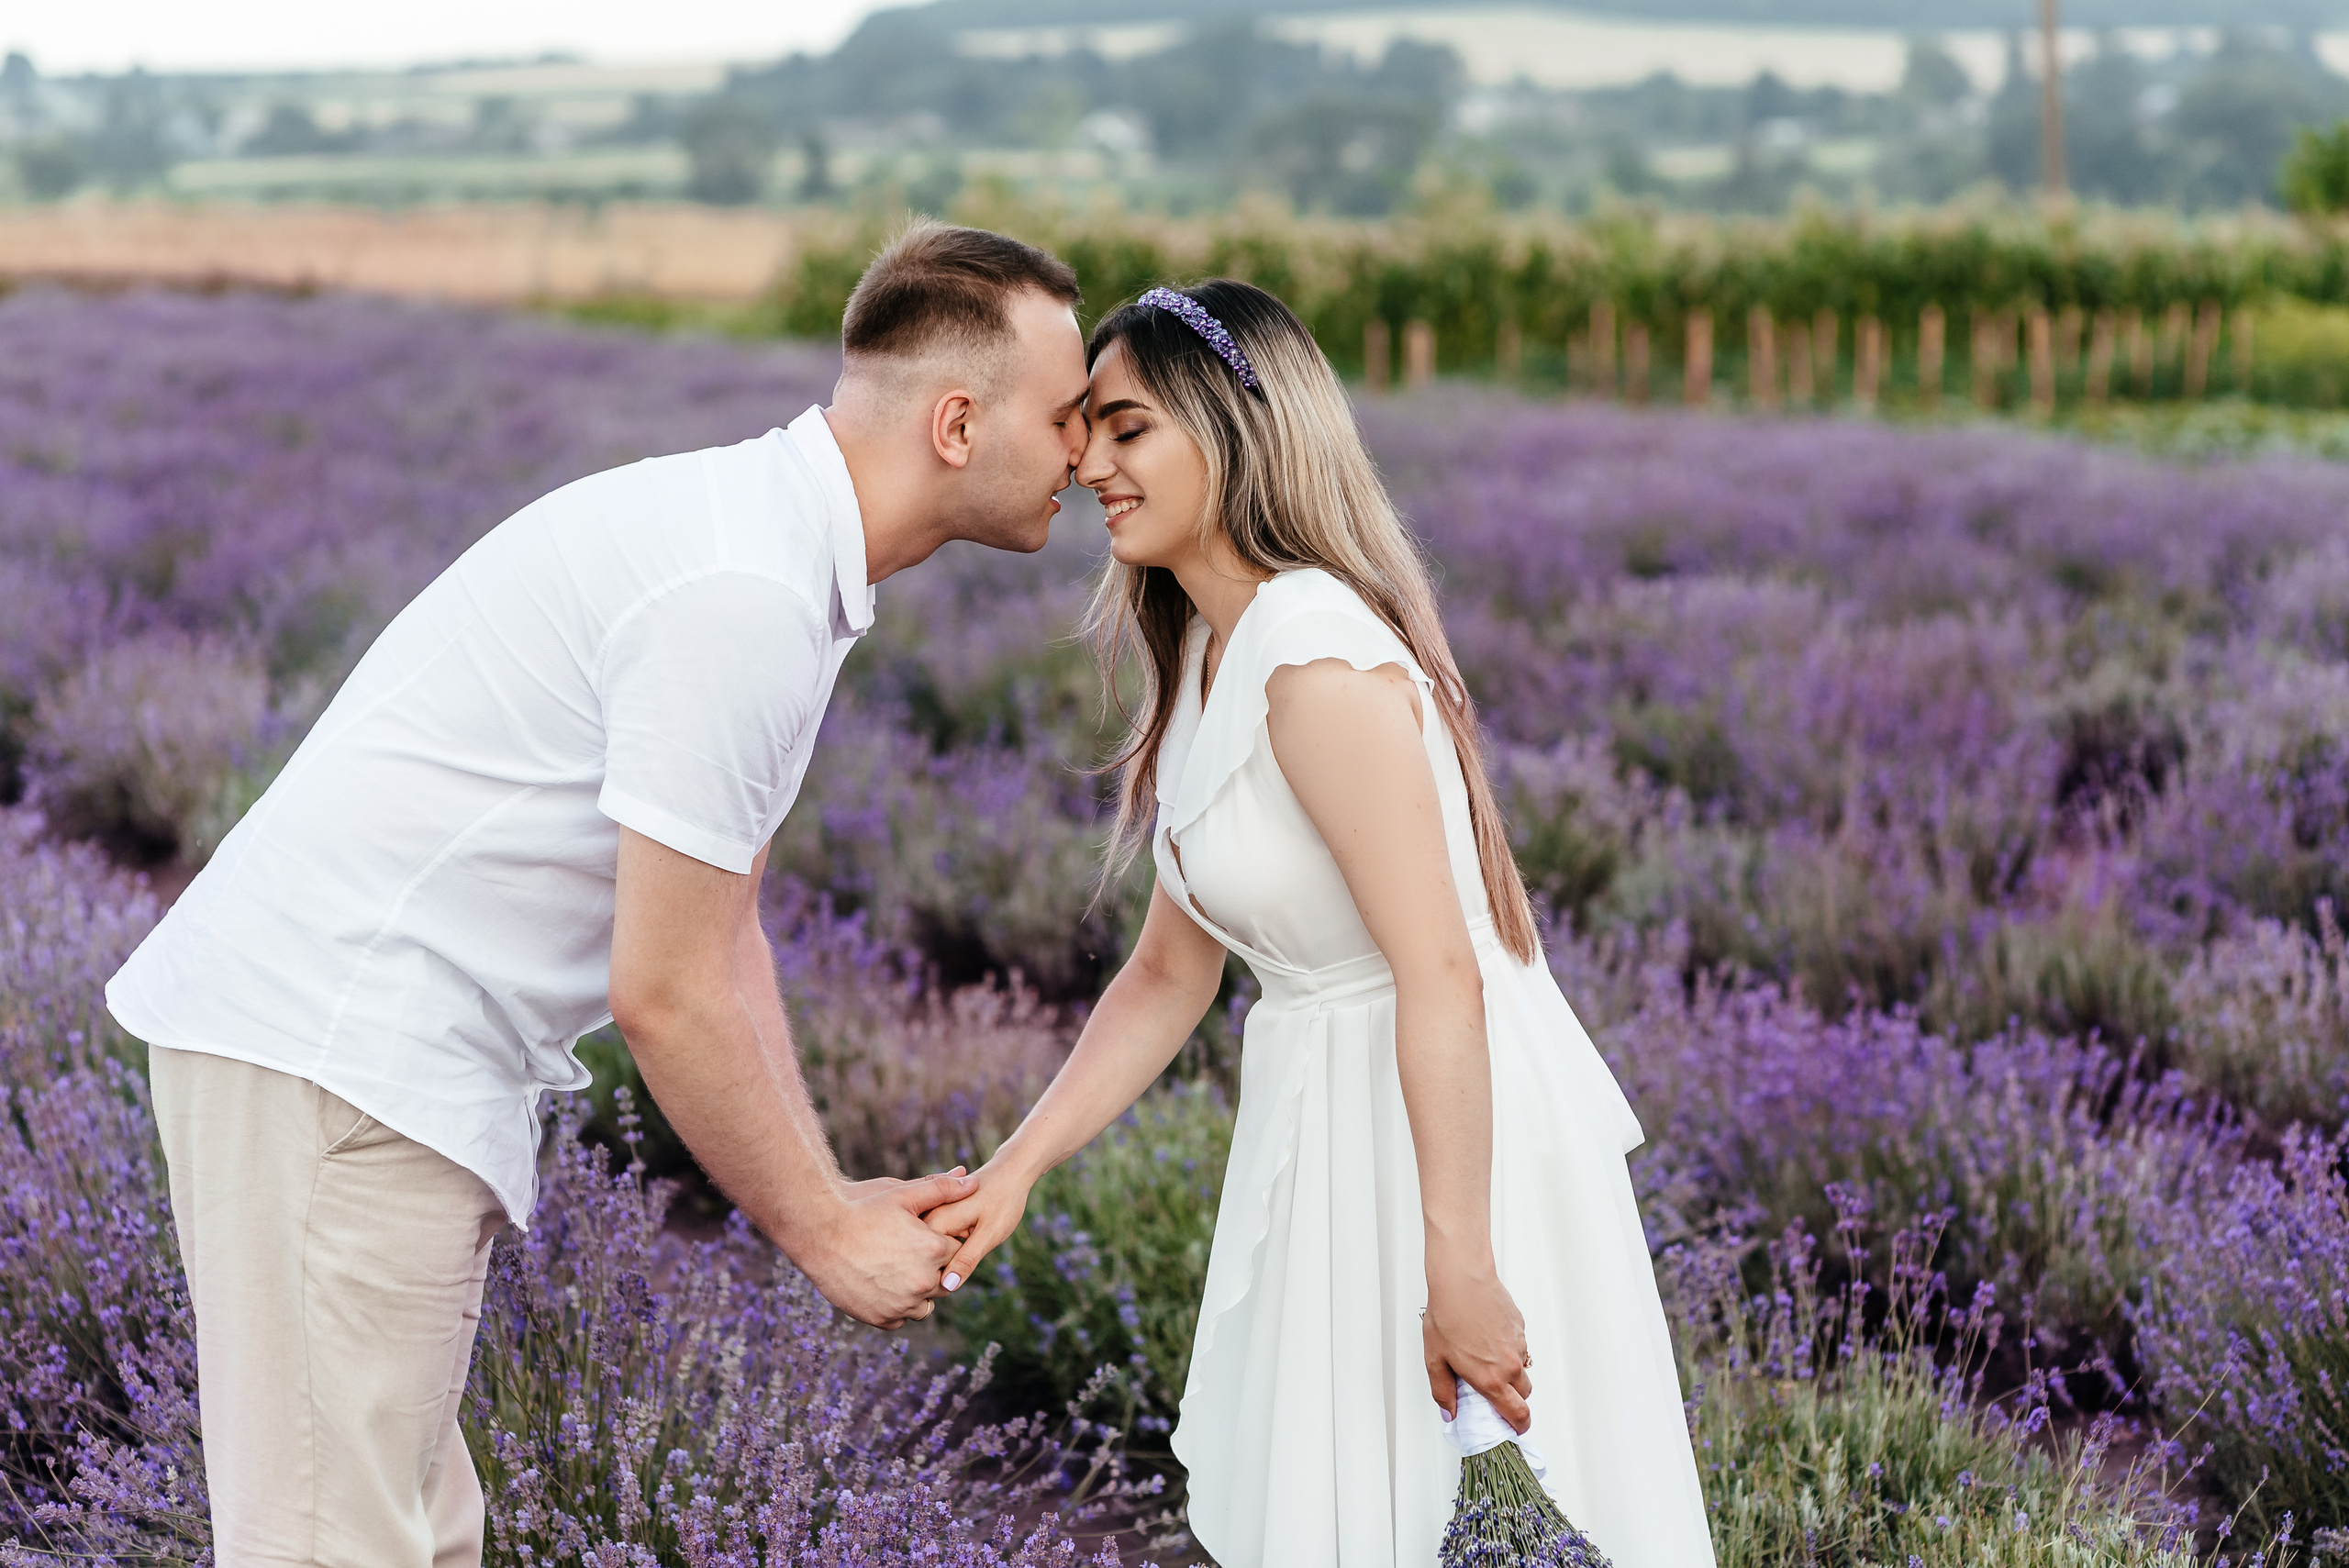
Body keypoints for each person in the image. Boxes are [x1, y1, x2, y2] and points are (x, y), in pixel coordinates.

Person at [102, 221, 1093, 1567]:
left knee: (406, 1531)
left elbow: (723, 922)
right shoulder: (744, 592)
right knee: (337, 1542)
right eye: (1069, 414)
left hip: (359, 1062)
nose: (1086, 455)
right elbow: (666, 992)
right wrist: (821, 1236)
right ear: (961, 423)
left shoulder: (771, 552)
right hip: (337, 1059)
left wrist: (832, 1186)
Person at [922, 282, 1718, 1567]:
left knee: (1435, 1500)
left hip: (1438, 1138)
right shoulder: (1207, 655)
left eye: (1127, 429)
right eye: (1087, 432)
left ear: (1233, 432)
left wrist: (1458, 1259)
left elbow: (1443, 973)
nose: (1088, 465)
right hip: (1324, 1116)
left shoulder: (1312, 654)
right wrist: (1015, 1167)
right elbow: (1168, 974)